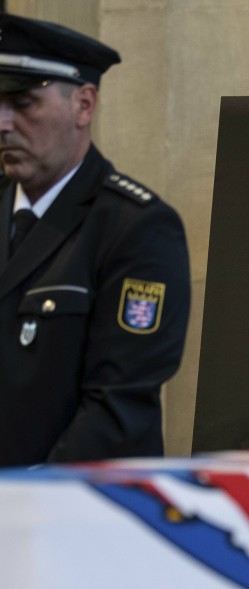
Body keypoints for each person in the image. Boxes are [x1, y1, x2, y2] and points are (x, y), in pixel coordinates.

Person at [0, 14, 190, 467]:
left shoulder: (136, 228)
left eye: (22, 103)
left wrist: (26, 502)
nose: (3, 123)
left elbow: (116, 409)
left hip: (69, 512)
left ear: (84, 105)